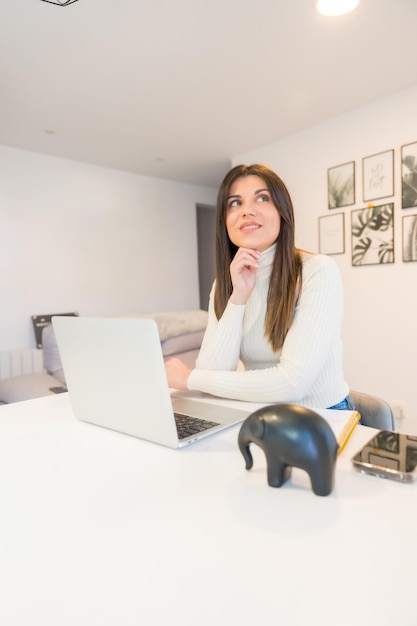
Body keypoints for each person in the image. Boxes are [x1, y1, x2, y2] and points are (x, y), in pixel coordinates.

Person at [165, 163, 352, 410]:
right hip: (257, 411)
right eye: (234, 203)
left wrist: (190, 377)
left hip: (322, 417)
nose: (246, 211)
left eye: (262, 198)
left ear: (282, 211)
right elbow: (214, 371)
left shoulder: (317, 271)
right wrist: (238, 297)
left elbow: (292, 384)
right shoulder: (224, 283)